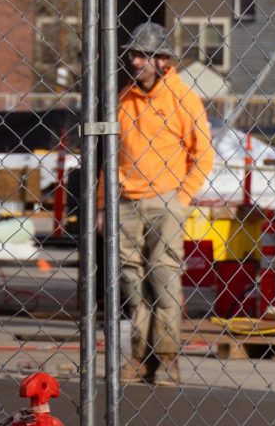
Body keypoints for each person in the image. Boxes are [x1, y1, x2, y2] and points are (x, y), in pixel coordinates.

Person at [107, 22, 215, 386]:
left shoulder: (183, 99)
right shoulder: (124, 99)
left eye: (143, 55)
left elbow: (203, 154)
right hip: (126, 201)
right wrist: (105, 203)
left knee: (164, 277)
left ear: (163, 60)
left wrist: (181, 198)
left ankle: (167, 359)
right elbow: (112, 154)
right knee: (132, 281)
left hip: (166, 200)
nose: (135, 62)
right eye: (133, 55)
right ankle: (139, 357)